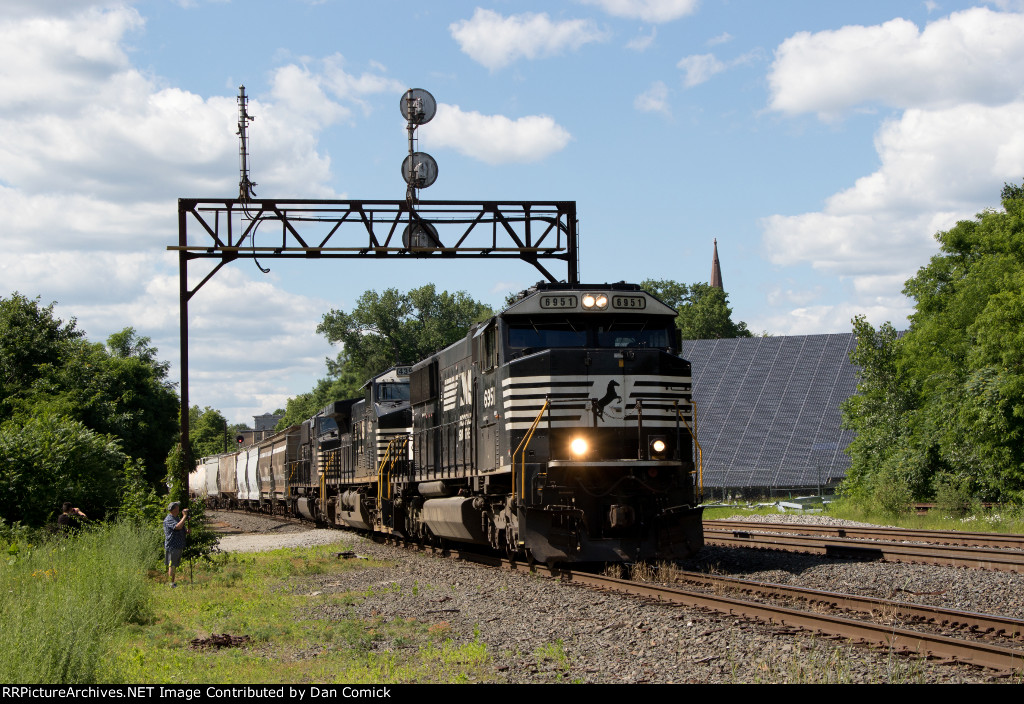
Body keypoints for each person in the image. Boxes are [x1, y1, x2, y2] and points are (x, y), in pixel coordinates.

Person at [163, 502, 189, 588]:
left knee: (174, 565)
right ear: (174, 509)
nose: (179, 509)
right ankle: (171, 584)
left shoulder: (176, 518)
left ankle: (172, 583)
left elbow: (182, 528)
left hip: (178, 545)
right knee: (172, 565)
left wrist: (187, 530)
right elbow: (178, 527)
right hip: (172, 546)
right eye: (177, 507)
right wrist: (184, 516)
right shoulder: (169, 519)